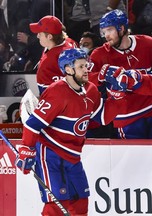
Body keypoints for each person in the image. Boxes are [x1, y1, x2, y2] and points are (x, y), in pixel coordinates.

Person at [15, 48, 126, 215]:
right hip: (51, 154)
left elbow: (103, 117)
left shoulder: (91, 90)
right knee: (57, 205)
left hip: (73, 157)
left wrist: (117, 96)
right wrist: (26, 149)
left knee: (81, 202)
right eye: (81, 66)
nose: (86, 69)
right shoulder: (56, 92)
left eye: (86, 65)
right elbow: (33, 124)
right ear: (68, 69)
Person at [89, 9, 152, 139]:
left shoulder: (147, 43)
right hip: (127, 117)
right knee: (135, 159)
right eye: (103, 32)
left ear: (121, 28)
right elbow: (85, 80)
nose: (106, 35)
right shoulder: (99, 55)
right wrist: (100, 75)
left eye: (109, 30)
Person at [29, 15, 77, 95]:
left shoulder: (48, 62)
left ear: (49, 37)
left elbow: (47, 94)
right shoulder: (70, 41)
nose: (37, 36)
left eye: (40, 34)